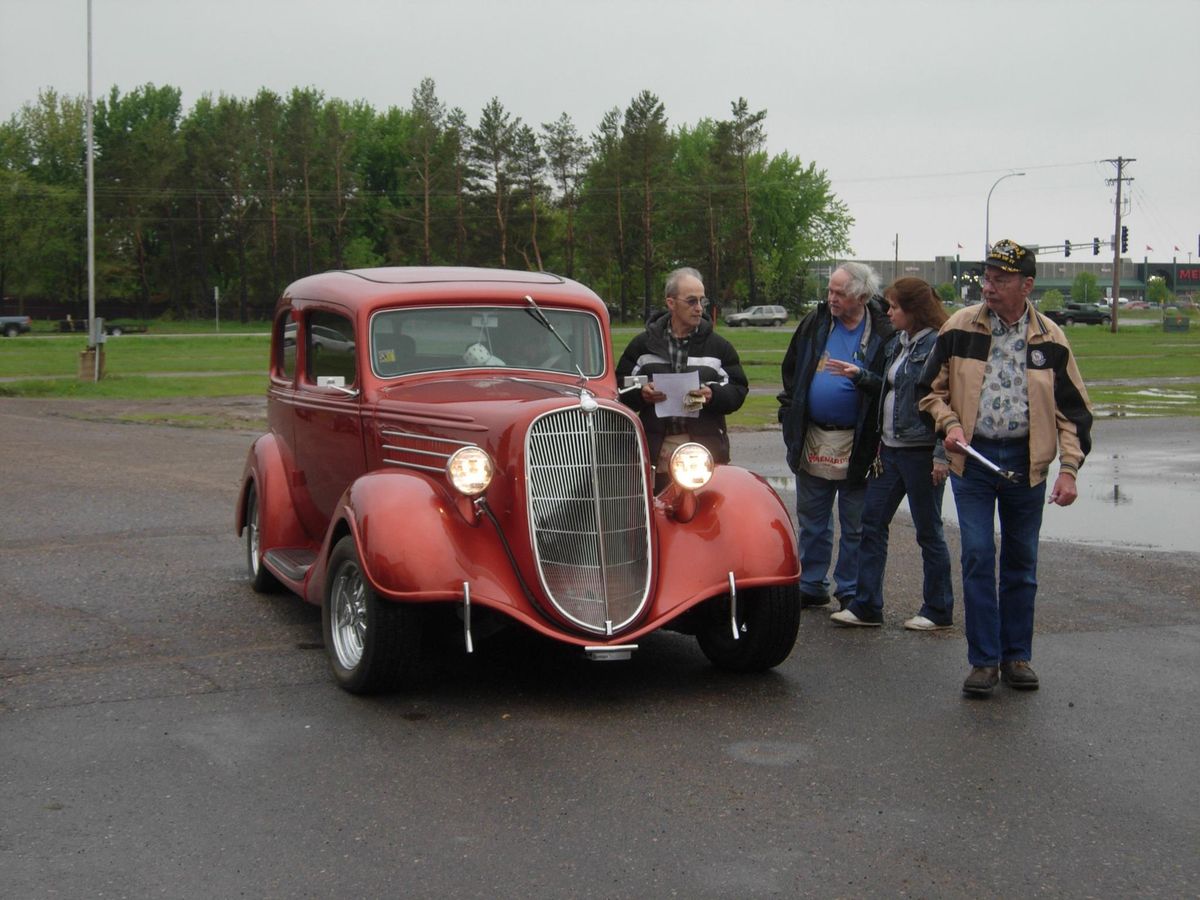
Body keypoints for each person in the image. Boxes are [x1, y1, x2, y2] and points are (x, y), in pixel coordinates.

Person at [918, 239, 1093, 697]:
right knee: (977, 554)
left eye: (1000, 279)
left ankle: (1017, 655)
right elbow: (928, 390)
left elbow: (1073, 412)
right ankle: (983, 661)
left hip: (1025, 464)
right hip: (973, 461)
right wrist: (949, 422)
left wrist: (1069, 468)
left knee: (1022, 562)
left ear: (1026, 285)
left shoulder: (1051, 338)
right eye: (986, 277)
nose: (989, 287)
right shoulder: (960, 327)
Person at [826, 277, 954, 630]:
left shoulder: (937, 345)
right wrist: (861, 375)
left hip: (921, 452)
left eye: (895, 307)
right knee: (871, 522)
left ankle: (938, 609)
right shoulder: (899, 342)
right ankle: (867, 606)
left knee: (928, 531)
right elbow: (890, 385)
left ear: (914, 311)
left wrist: (942, 454)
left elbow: (949, 401)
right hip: (890, 451)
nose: (889, 312)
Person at [778, 262, 893, 609]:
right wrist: (789, 413)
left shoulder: (884, 330)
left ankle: (851, 590)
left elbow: (890, 383)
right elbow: (792, 369)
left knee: (855, 522)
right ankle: (811, 583)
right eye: (829, 290)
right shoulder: (816, 323)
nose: (831, 298)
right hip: (813, 436)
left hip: (859, 440)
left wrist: (862, 377)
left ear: (860, 295)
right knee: (812, 518)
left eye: (839, 293)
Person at [616, 267, 748, 489]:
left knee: (703, 518)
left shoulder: (719, 347)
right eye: (691, 301)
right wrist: (641, 392)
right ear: (671, 303)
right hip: (656, 449)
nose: (699, 309)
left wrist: (713, 394)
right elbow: (621, 384)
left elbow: (738, 388)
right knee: (657, 516)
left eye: (702, 301)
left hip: (704, 452)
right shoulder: (642, 345)